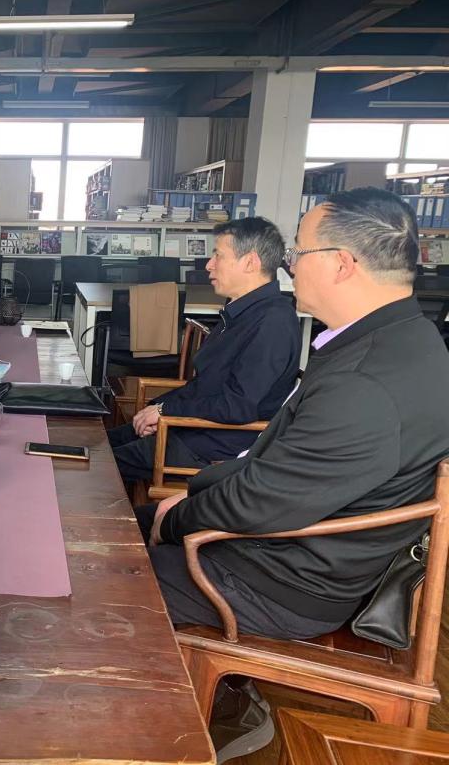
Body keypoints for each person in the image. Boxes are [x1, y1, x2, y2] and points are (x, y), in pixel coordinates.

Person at [136, 188, 449, 762]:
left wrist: (175, 517)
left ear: (342, 263)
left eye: (298, 253)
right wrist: (190, 498)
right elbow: (277, 471)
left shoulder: (366, 381)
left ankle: (185, 723)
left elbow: (258, 503)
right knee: (119, 527)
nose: (288, 266)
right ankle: (226, 696)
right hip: (303, 547)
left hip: (283, 580)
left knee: (106, 575)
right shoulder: (405, 339)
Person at [109, 216, 301, 482]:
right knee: (100, 442)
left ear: (250, 262)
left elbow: (237, 406)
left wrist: (165, 412)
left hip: (212, 444)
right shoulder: (241, 313)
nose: (209, 265)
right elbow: (205, 385)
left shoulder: (272, 323)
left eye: (218, 256)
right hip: (191, 427)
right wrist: (159, 407)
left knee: (96, 464)